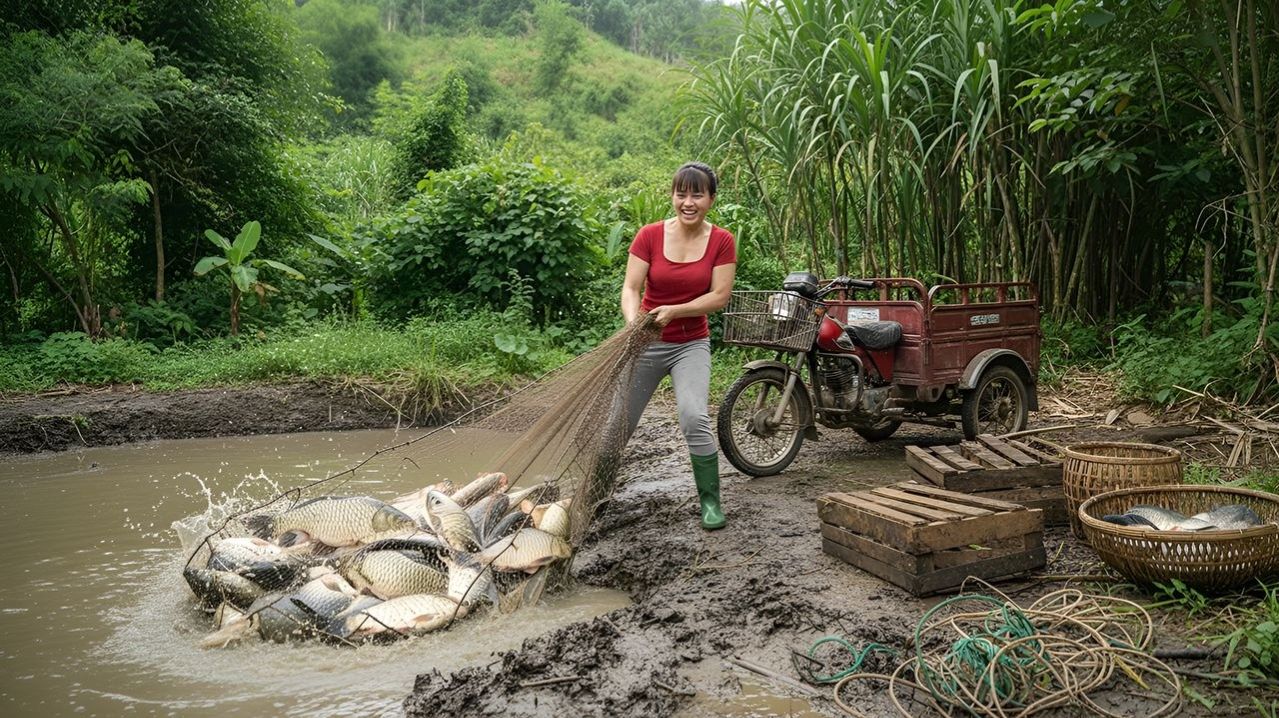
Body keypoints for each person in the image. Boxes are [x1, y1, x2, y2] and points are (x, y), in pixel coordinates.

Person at [621, 161, 736, 530]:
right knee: (616, 424)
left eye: (697, 194)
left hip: (691, 344)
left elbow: (719, 297)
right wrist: (632, 324)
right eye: (681, 193)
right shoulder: (649, 235)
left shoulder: (721, 240)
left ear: (711, 199)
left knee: (693, 416)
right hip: (648, 343)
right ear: (672, 196)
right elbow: (630, 288)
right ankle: (594, 494)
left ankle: (710, 502)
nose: (688, 202)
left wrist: (676, 310)